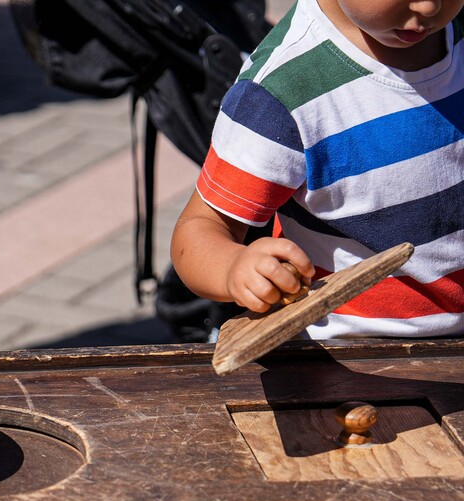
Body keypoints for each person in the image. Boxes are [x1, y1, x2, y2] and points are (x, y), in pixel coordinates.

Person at [170, 0, 464, 338]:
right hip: (355, 359)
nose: (428, 6)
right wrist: (233, 267)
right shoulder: (282, 89)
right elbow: (199, 228)